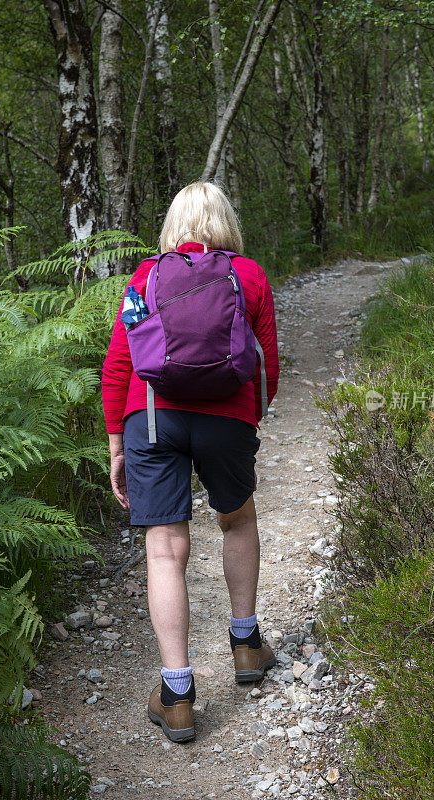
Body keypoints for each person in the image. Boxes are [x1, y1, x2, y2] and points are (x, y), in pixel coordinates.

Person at [101, 182, 280, 743]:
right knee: (238, 518)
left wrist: (116, 445)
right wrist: (249, 419)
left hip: (152, 419)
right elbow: (267, 364)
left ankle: (177, 695)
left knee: (164, 549)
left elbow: (118, 366)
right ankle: (247, 647)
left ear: (173, 224)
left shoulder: (146, 278)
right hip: (227, 417)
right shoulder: (247, 275)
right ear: (225, 221)